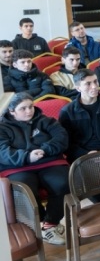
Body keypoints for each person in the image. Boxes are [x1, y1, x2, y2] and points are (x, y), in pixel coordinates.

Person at [0, 92, 69, 244]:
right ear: (11, 111)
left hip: (48, 161)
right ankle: (42, 224)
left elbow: (62, 138)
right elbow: (2, 151)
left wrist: (45, 149)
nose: (29, 111)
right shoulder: (2, 127)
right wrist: (26, 156)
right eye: (23, 108)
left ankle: (50, 224)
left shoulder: (46, 121)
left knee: (63, 182)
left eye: (31, 106)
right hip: (18, 166)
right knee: (24, 189)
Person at [58, 70, 100, 200]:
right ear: (78, 88)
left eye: (95, 82)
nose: (94, 86)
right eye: (88, 84)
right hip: (84, 156)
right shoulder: (67, 112)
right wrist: (85, 154)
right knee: (85, 178)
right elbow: (66, 143)